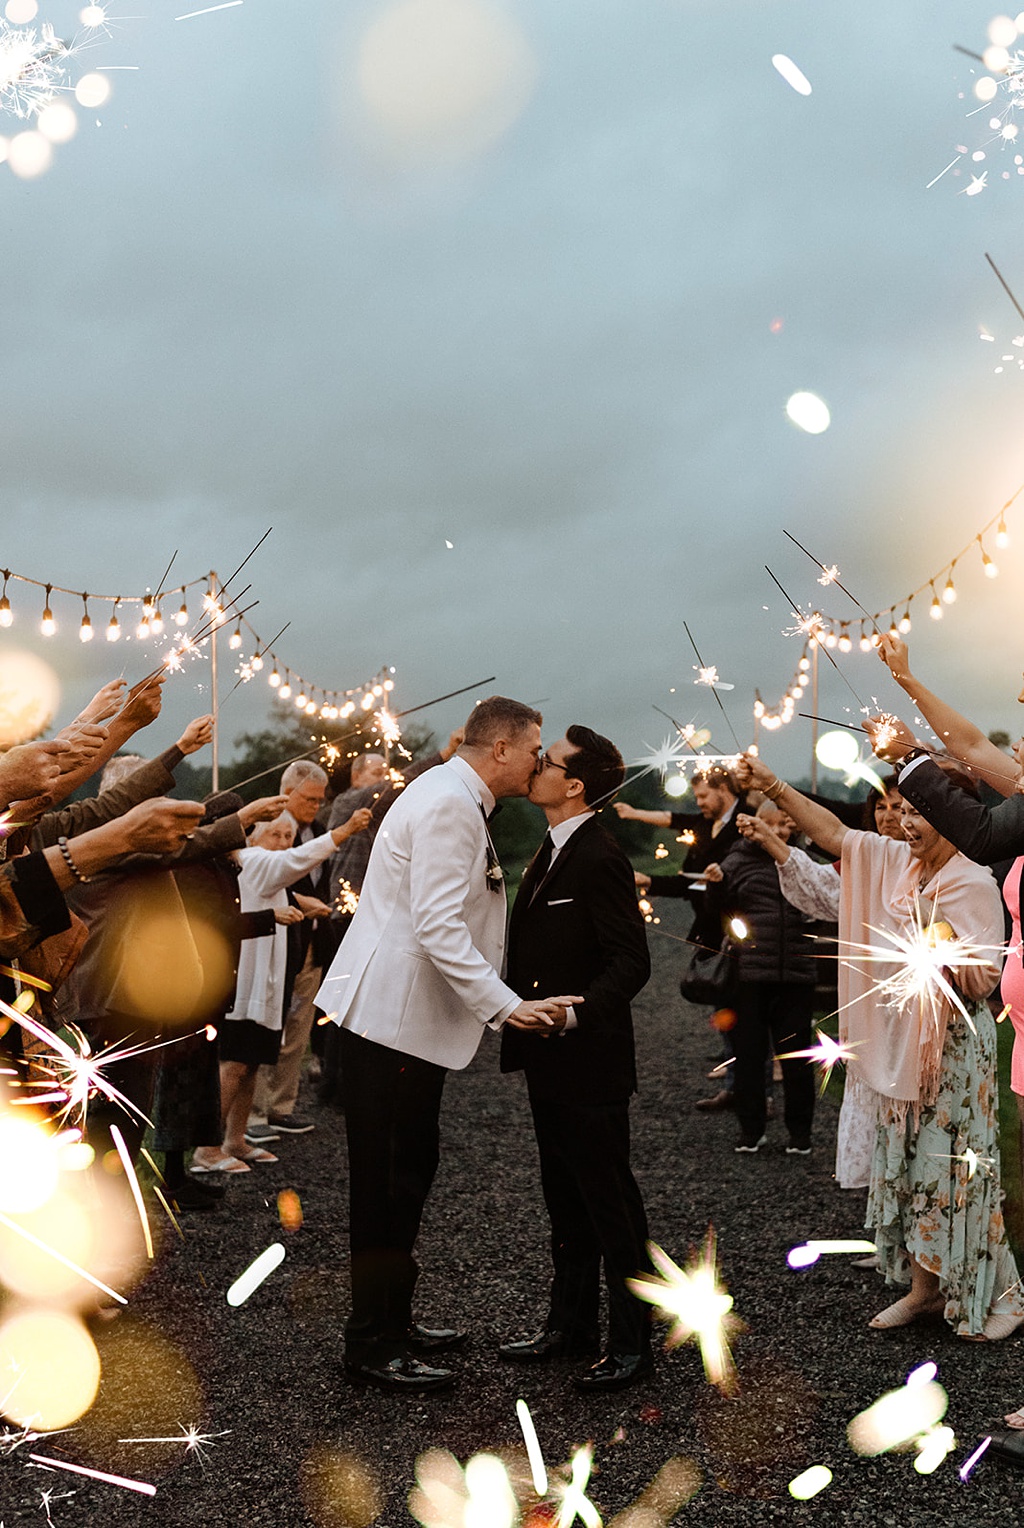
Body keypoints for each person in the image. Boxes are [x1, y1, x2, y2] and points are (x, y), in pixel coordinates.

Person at [315, 696, 577, 1394]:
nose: (539, 761)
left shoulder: (454, 796)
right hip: (389, 1025)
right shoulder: (447, 805)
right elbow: (437, 926)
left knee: (409, 1174)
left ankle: (394, 1318)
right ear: (500, 750)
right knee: (386, 1184)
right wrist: (507, 1007)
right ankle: (370, 1343)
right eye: (533, 748)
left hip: (404, 1027)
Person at [736, 752, 1023, 1339]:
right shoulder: (895, 861)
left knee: (955, 1176)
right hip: (900, 1048)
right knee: (912, 1171)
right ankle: (922, 1289)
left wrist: (936, 948)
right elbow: (836, 834)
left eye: (923, 813)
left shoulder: (970, 880)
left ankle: (1000, 1292)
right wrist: (772, 784)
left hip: (951, 1057)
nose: (908, 824)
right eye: (906, 811)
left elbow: (982, 981)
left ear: (955, 816)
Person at [498, 726, 653, 1391]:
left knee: (609, 1202)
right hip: (547, 1059)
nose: (535, 767)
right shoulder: (551, 848)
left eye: (547, 761)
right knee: (563, 1198)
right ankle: (569, 1326)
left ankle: (631, 1343)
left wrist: (578, 1009)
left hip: (589, 1060)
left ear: (575, 784)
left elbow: (631, 962)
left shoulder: (600, 856)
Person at [740, 774, 905, 1189]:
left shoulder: (932, 864)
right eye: (881, 806)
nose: (889, 815)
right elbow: (819, 886)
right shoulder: (864, 857)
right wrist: (772, 842)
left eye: (901, 806)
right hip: (868, 998)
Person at [194, 803, 370, 1173]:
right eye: (274, 833)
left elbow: (287, 878)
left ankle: (235, 1139)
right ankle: (206, 1148)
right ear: (252, 834)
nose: (283, 842)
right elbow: (298, 860)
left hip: (268, 985)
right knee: (235, 1064)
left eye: (288, 836)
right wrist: (346, 829)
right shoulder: (253, 860)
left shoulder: (264, 869)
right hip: (246, 985)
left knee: (252, 1063)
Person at [619, 767, 751, 1111]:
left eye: (704, 795)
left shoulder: (747, 821)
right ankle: (734, 1085)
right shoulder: (706, 826)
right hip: (710, 928)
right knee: (724, 1007)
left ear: (724, 789)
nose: (700, 803)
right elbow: (688, 878)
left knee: (746, 1013)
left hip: (740, 930)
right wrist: (648, 879)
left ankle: (754, 1092)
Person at [703, 802, 817, 1155]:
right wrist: (715, 888)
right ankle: (751, 1131)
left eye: (786, 824)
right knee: (749, 1056)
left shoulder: (802, 861)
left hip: (797, 974)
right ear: (754, 826)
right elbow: (715, 918)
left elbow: (824, 902)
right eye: (773, 824)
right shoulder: (735, 863)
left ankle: (800, 1134)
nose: (781, 831)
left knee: (797, 1060)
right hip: (748, 977)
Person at [248, 761, 335, 1140]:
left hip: (312, 943)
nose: (316, 806)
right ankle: (255, 1112)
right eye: (309, 798)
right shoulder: (271, 828)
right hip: (276, 941)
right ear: (288, 791)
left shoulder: (318, 830)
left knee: (299, 1029)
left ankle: (283, 1106)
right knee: (271, 1024)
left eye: (320, 799)